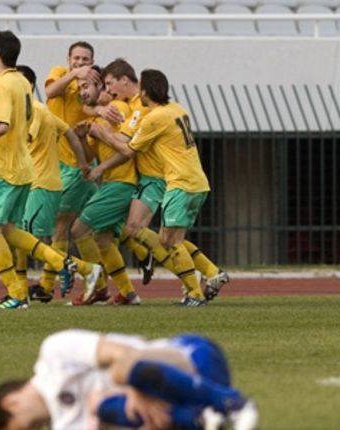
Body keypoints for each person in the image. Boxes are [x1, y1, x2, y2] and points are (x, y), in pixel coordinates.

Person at [0, 30, 102, 309]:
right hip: (25, 169)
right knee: (9, 230)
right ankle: (71, 267)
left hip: (5, 169)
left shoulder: (4, 85)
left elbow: (3, 126)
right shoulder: (22, 84)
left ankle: (16, 293)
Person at [93, 64, 224, 306]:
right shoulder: (177, 109)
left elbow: (127, 149)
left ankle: (195, 293)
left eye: (140, 88)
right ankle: (212, 273)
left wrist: (99, 133)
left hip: (179, 182)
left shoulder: (153, 118)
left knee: (167, 241)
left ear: (145, 92)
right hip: (196, 181)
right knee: (171, 239)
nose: (137, 92)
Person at [0, 329, 258, 430]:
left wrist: (136, 391)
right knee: (102, 407)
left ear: (11, 403)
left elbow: (124, 353)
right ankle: (205, 419)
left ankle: (232, 402)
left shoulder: (53, 353)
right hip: (177, 402)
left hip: (188, 358)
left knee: (119, 371)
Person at [38, 41, 122, 296]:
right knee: (83, 229)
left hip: (78, 163)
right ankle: (101, 285)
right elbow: (51, 92)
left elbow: (95, 104)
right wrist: (74, 75)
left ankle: (47, 284)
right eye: (76, 58)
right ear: (68, 59)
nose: (81, 63)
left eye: (86, 60)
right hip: (58, 162)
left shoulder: (93, 85)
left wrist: (101, 104)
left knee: (61, 225)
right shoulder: (61, 74)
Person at [7, 65, 90, 304]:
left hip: (39, 183)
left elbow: (25, 138)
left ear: (29, 86)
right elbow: (71, 134)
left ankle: (84, 269)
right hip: (35, 182)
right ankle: (22, 289)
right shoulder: (35, 111)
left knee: (27, 237)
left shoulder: (33, 110)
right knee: (23, 237)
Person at [68, 66, 142, 306]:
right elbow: (89, 157)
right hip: (113, 183)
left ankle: (96, 283)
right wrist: (80, 138)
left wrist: (100, 168)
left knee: (78, 230)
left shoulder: (116, 109)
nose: (82, 92)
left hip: (121, 184)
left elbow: (126, 150)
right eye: (80, 87)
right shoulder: (96, 116)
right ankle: (128, 293)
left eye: (86, 86)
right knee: (102, 238)